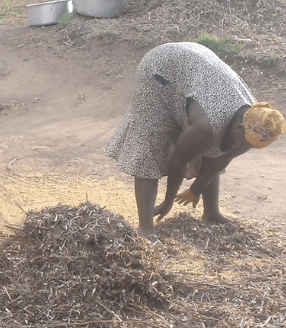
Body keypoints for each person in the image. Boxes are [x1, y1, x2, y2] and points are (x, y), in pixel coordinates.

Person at [105, 42, 284, 240]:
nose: (244, 149)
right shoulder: (207, 125)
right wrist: (168, 201)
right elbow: (179, 160)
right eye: (245, 143)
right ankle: (145, 227)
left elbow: (221, 157)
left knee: (216, 147)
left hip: (195, 69)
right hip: (160, 71)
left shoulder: (254, 120)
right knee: (151, 146)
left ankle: (211, 213)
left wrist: (195, 190)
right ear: (239, 128)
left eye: (252, 146)